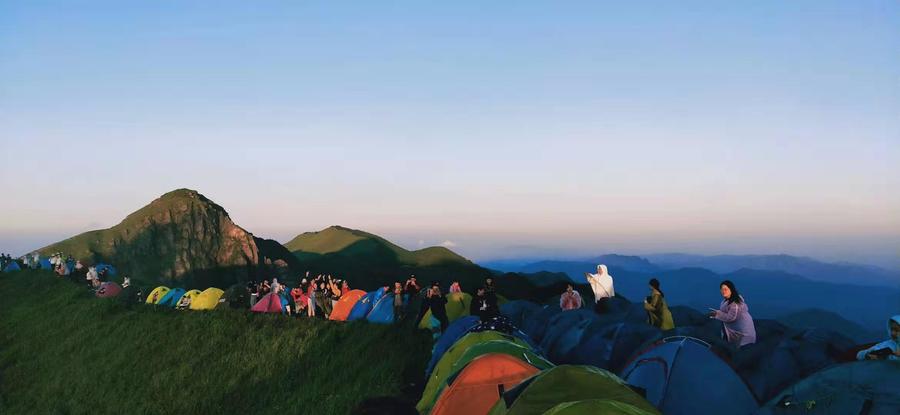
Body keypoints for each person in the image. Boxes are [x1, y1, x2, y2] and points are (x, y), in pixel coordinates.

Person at [709, 280, 757, 347]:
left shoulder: (735, 304)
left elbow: (731, 318)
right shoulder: (727, 300)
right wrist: (717, 313)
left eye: (725, 289)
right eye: (722, 289)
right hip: (739, 329)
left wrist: (717, 314)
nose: (723, 291)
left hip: (743, 333)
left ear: (731, 289)